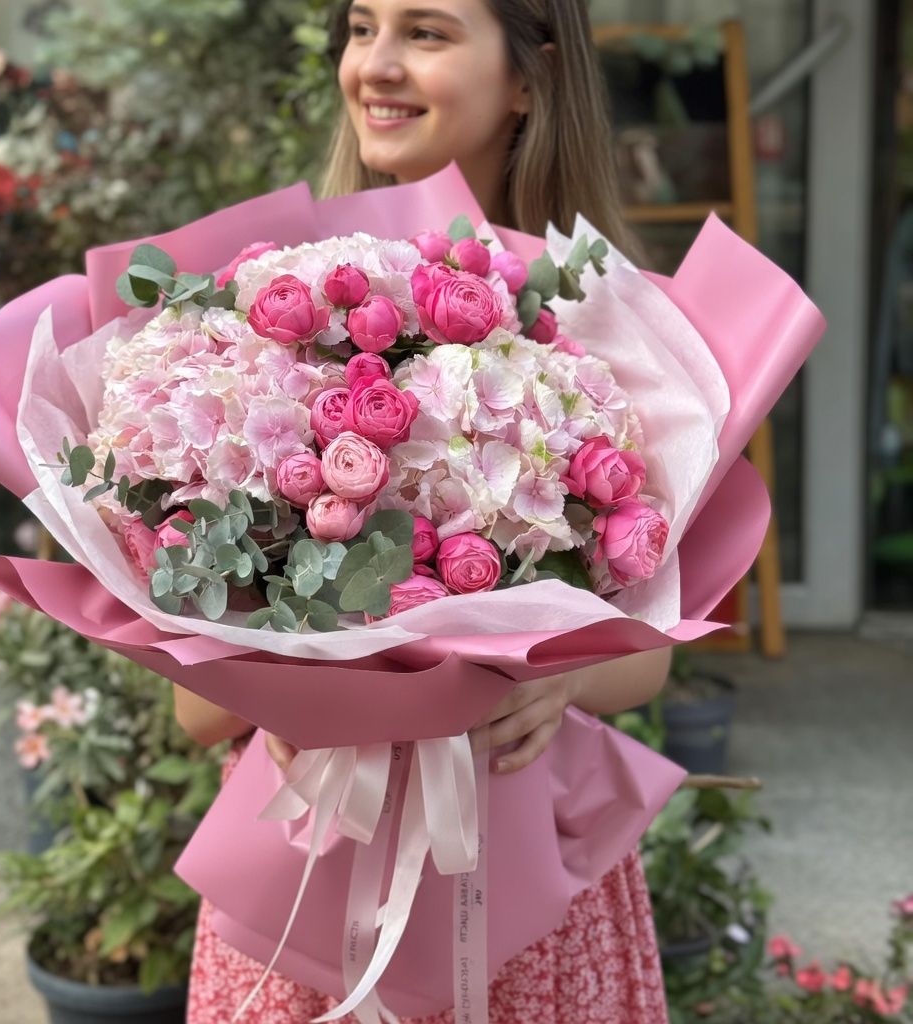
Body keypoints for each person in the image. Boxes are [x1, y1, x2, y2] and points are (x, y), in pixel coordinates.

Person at [177, 1, 673, 1020]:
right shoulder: (269, 319)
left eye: (427, 32)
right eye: (362, 28)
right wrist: (301, 672)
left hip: (520, 883)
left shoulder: (615, 335)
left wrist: (559, 674)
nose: (376, 64)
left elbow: (650, 657)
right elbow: (196, 710)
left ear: (529, 78)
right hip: (308, 869)